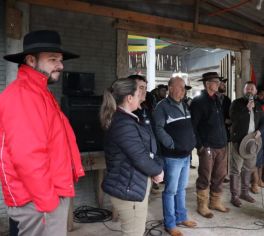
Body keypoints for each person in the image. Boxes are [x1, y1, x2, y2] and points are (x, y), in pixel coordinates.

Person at [0, 30, 85, 236]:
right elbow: (28, 156)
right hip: (39, 201)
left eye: (61, 60)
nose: (61, 65)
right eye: (53, 59)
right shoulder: (23, 95)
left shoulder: (39, 92)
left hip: (45, 195)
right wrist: (48, 202)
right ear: (31, 60)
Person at [100, 78, 164, 236]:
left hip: (132, 184)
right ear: (129, 98)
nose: (141, 96)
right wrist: (157, 171)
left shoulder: (125, 118)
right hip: (129, 188)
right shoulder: (123, 123)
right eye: (138, 93)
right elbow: (139, 156)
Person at [153, 76, 197, 236]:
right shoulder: (162, 107)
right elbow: (158, 129)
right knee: (170, 190)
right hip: (172, 157)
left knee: (181, 189)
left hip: (185, 156)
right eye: (180, 87)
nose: (183, 91)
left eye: (184, 88)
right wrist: (171, 144)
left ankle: (182, 217)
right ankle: (170, 224)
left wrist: (191, 142)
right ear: (170, 88)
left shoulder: (184, 105)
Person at [190, 72, 229, 218]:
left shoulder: (217, 99)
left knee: (220, 175)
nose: (219, 84)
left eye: (219, 81)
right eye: (216, 81)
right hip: (207, 146)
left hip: (221, 144)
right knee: (205, 176)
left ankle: (215, 202)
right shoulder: (198, 102)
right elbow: (193, 126)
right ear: (207, 84)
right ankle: (202, 205)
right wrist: (200, 145)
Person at [229, 81, 264, 207]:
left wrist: (260, 131)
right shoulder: (236, 103)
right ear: (244, 91)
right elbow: (233, 118)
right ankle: (234, 196)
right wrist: (247, 109)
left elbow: (263, 122)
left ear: (255, 92)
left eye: (252, 89)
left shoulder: (259, 106)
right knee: (236, 169)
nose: (250, 90)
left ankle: (244, 192)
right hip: (239, 141)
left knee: (248, 168)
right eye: (247, 89)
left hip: (252, 142)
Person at [217, 78, 232, 183]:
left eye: (225, 84)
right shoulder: (209, 98)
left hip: (224, 131)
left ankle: (223, 175)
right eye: (222, 84)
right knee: (212, 157)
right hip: (212, 131)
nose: (224, 85)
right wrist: (223, 120)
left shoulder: (227, 99)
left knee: (223, 155)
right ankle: (212, 177)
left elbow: (229, 114)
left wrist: (231, 120)